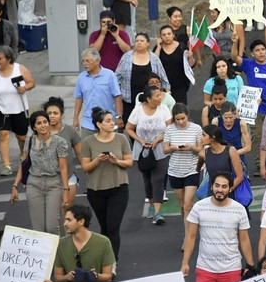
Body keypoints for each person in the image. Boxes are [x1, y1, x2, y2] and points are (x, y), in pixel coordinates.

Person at [182, 172, 255, 282]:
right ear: (211, 186)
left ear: (230, 188)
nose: (220, 189)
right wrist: (185, 263)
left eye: (224, 186)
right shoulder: (199, 207)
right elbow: (191, 236)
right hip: (205, 269)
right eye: (217, 185)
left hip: (232, 269)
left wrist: (250, 265)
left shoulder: (239, 210)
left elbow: (244, 239)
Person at [79, 108, 132, 262]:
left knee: (113, 226)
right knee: (104, 227)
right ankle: (105, 259)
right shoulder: (88, 142)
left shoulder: (121, 139)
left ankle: (113, 261)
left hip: (119, 188)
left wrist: (116, 161)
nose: (112, 123)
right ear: (99, 124)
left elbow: (129, 162)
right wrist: (97, 160)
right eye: (108, 121)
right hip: (96, 190)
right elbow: (85, 167)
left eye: (112, 120)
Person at [10, 110, 69, 235]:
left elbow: (63, 167)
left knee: (52, 227)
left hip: (54, 184)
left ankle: (55, 254)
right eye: (39, 123)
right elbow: (24, 164)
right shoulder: (29, 141)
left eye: (45, 122)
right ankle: (43, 254)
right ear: (34, 127)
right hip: (34, 184)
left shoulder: (59, 141)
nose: (43, 125)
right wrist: (15, 185)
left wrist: (66, 189)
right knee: (38, 229)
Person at [233, 38, 266, 175]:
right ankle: (259, 165)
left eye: (263, 49)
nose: (261, 52)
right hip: (255, 110)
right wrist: (235, 42)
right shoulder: (249, 65)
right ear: (252, 53)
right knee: (257, 137)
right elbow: (234, 57)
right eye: (257, 50)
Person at [0, 45, 33, 176]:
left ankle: (23, 154)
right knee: (3, 135)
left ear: (8, 59)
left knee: (21, 136)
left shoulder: (19, 69)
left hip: (19, 109)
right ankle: (6, 165)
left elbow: (32, 82)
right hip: (1, 109)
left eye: (0, 58)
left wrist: (25, 88)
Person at [126, 85, 172, 225]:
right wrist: (140, 140)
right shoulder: (138, 111)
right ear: (148, 98)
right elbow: (129, 128)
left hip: (160, 149)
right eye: (157, 96)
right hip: (143, 150)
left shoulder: (163, 109)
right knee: (147, 180)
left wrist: (159, 139)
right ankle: (151, 204)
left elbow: (170, 128)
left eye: (160, 95)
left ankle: (158, 212)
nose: (160, 98)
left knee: (158, 180)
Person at [53, 204, 115, 282]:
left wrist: (96, 276)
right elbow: (58, 278)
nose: (65, 223)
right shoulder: (61, 244)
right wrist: (67, 277)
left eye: (69, 220)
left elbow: (108, 276)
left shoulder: (103, 242)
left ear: (81, 221)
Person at [163, 103, 203, 245]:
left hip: (192, 169)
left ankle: (187, 238)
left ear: (188, 116)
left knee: (188, 205)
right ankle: (188, 227)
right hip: (175, 170)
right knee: (182, 206)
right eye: (177, 119)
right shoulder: (169, 129)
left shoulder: (196, 129)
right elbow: (165, 149)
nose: (180, 122)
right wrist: (174, 148)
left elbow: (201, 150)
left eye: (183, 118)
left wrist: (191, 147)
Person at [115, 32, 170, 124]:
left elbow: (163, 78)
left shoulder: (154, 58)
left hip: (150, 99)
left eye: (142, 41)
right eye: (137, 41)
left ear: (148, 43)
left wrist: (167, 93)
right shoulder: (126, 57)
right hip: (129, 98)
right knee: (130, 124)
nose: (139, 43)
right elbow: (117, 77)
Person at [73, 48, 123, 136]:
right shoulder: (81, 77)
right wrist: (75, 118)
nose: (85, 64)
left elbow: (117, 96)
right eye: (83, 61)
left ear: (97, 61)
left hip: (107, 121)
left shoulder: (109, 75)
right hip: (88, 122)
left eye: (87, 61)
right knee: (86, 147)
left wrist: (118, 117)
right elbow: (79, 98)